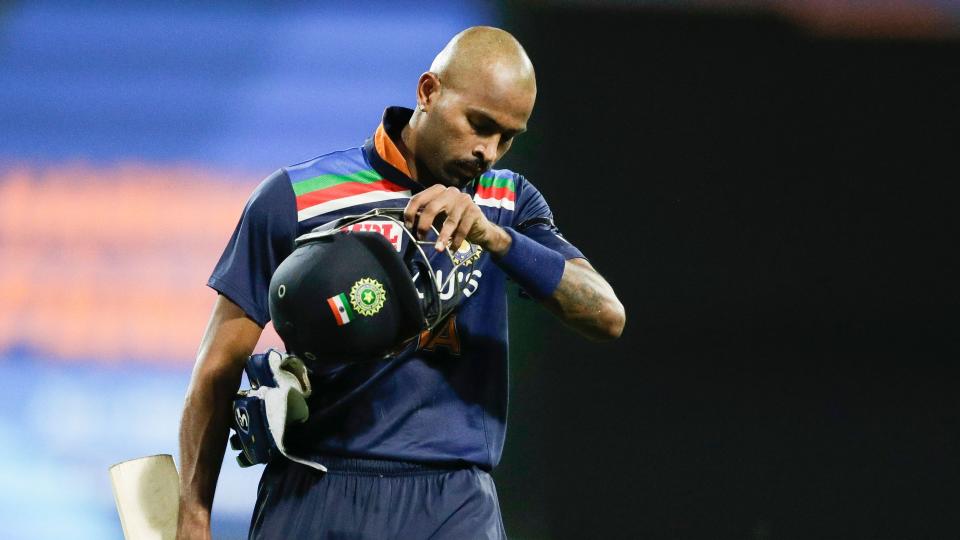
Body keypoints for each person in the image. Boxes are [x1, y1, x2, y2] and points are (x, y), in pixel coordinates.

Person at [177, 26, 625, 539]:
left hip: (453, 503)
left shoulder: (507, 202)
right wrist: (193, 516)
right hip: (316, 488)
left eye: (507, 137)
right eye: (478, 124)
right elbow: (217, 369)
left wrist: (497, 239)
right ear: (428, 92)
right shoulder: (296, 197)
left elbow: (607, 314)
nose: (489, 151)